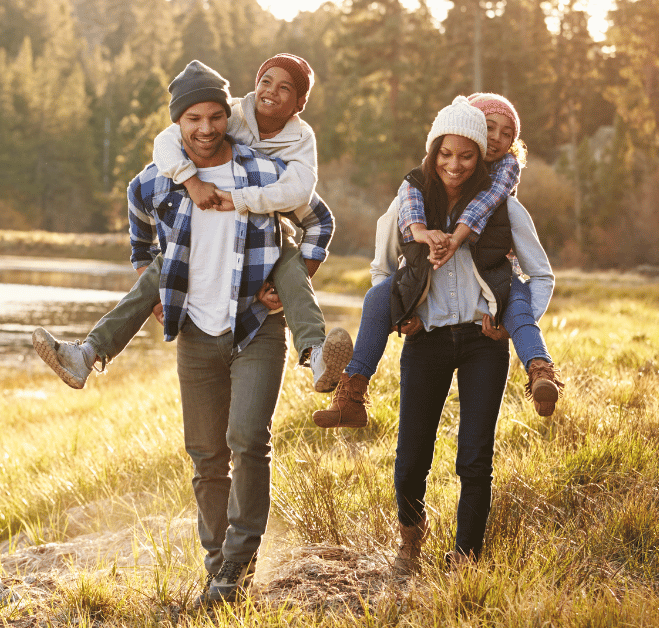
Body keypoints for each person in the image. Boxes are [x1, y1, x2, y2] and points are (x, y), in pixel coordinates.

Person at [122, 61, 332, 608]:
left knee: (248, 441)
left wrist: (293, 278)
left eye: (216, 116)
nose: (207, 128)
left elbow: (318, 217)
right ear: (179, 123)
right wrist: (148, 274)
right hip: (195, 328)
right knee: (206, 455)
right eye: (194, 118)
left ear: (226, 117)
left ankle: (237, 565)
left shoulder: (263, 170)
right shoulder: (160, 176)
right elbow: (138, 215)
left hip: (256, 325)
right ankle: (219, 570)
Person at [32, 54, 351, 395]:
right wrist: (191, 181)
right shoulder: (230, 116)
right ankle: (87, 354)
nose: (206, 127)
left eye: (285, 88)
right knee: (162, 267)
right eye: (266, 81)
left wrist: (288, 275)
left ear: (300, 103)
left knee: (290, 265)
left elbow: (305, 195)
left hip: (271, 232)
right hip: (201, 233)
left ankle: (316, 354)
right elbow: (167, 141)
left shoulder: (300, 141)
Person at [355, 97, 554, 572]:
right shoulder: (411, 201)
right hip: (426, 340)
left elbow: (540, 274)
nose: (456, 164)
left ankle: (466, 557)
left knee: (475, 457)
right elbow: (381, 270)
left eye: (467, 153)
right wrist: (403, 313)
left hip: (482, 343)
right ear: (437, 149)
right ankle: (409, 541)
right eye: (447, 153)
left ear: (482, 150)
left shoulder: (504, 207)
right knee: (411, 455)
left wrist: (506, 323)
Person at [312, 92, 563, 429]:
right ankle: (352, 390)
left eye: (507, 134)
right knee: (376, 297)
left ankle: (540, 371)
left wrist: (457, 238)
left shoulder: (502, 181)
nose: (497, 140)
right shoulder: (418, 184)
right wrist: (404, 308)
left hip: (492, 286)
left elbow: (488, 206)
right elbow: (392, 239)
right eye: (489, 128)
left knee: (517, 304)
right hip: (426, 308)